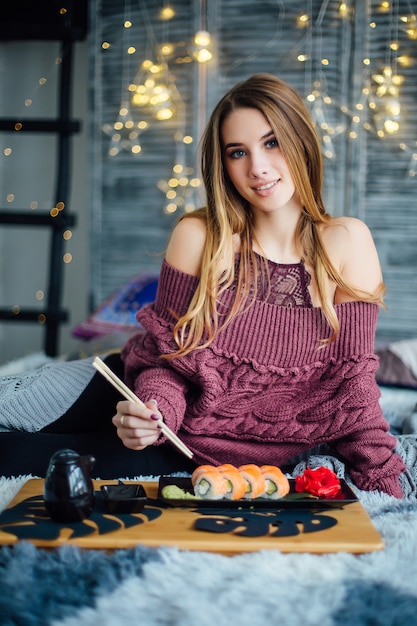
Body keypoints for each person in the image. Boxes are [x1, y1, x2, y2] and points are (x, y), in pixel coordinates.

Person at [0, 74, 407, 495]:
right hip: (138, 395)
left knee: (17, 457)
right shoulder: (200, 236)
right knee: (9, 401)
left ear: (301, 140)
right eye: (238, 152)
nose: (258, 168)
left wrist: (384, 485)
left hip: (189, 453)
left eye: (272, 143)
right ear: (224, 164)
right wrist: (157, 411)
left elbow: (351, 389)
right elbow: (166, 359)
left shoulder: (345, 242)